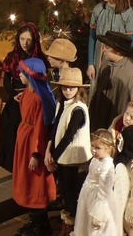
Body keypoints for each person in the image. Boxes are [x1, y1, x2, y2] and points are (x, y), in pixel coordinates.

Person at [44, 67, 92, 235]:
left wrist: (54, 157)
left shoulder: (78, 109)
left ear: (79, 89)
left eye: (72, 87)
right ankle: (66, 220)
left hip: (72, 159)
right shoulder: (62, 104)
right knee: (64, 191)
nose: (68, 90)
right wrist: (49, 150)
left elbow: (69, 136)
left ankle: (72, 226)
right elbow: (55, 128)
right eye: (65, 87)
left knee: (71, 194)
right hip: (61, 156)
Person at [12, 58, 57, 236]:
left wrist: (36, 154)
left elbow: (40, 128)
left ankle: (40, 225)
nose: (19, 75)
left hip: (32, 144)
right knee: (26, 181)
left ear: (30, 76)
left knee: (35, 184)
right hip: (24, 141)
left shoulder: (39, 99)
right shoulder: (29, 92)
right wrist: (22, 97)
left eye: (22, 73)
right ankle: (33, 221)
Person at [0, 22, 48, 173]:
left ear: (34, 40)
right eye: (22, 39)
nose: (25, 43)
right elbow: (7, 81)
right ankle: (12, 161)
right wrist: (13, 95)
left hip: (33, 96)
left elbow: (44, 82)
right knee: (11, 120)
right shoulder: (12, 57)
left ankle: (30, 159)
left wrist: (30, 94)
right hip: (16, 96)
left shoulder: (40, 58)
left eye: (29, 40)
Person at [87, 0, 133, 93]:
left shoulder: (127, 13)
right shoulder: (98, 9)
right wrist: (91, 64)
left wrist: (127, 64)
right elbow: (92, 37)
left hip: (119, 57)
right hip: (99, 56)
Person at [74, 128, 129, 236]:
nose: (93, 150)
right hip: (88, 195)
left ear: (108, 149)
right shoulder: (95, 160)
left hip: (98, 200)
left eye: (98, 148)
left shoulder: (107, 166)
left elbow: (104, 192)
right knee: (84, 224)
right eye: (92, 146)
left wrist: (99, 214)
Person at [88, 31, 133, 132]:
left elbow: (132, 102)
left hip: (114, 124)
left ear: (118, 51)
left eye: (107, 47)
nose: (103, 50)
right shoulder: (105, 64)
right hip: (98, 121)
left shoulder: (129, 72)